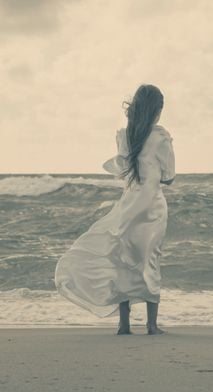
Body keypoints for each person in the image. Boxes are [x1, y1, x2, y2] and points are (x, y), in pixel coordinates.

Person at [54, 84, 176, 335]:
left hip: (129, 206)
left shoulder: (124, 135)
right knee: (150, 261)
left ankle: (124, 325)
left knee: (122, 260)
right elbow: (169, 176)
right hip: (152, 208)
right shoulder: (161, 136)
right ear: (156, 110)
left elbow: (122, 171)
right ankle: (152, 326)